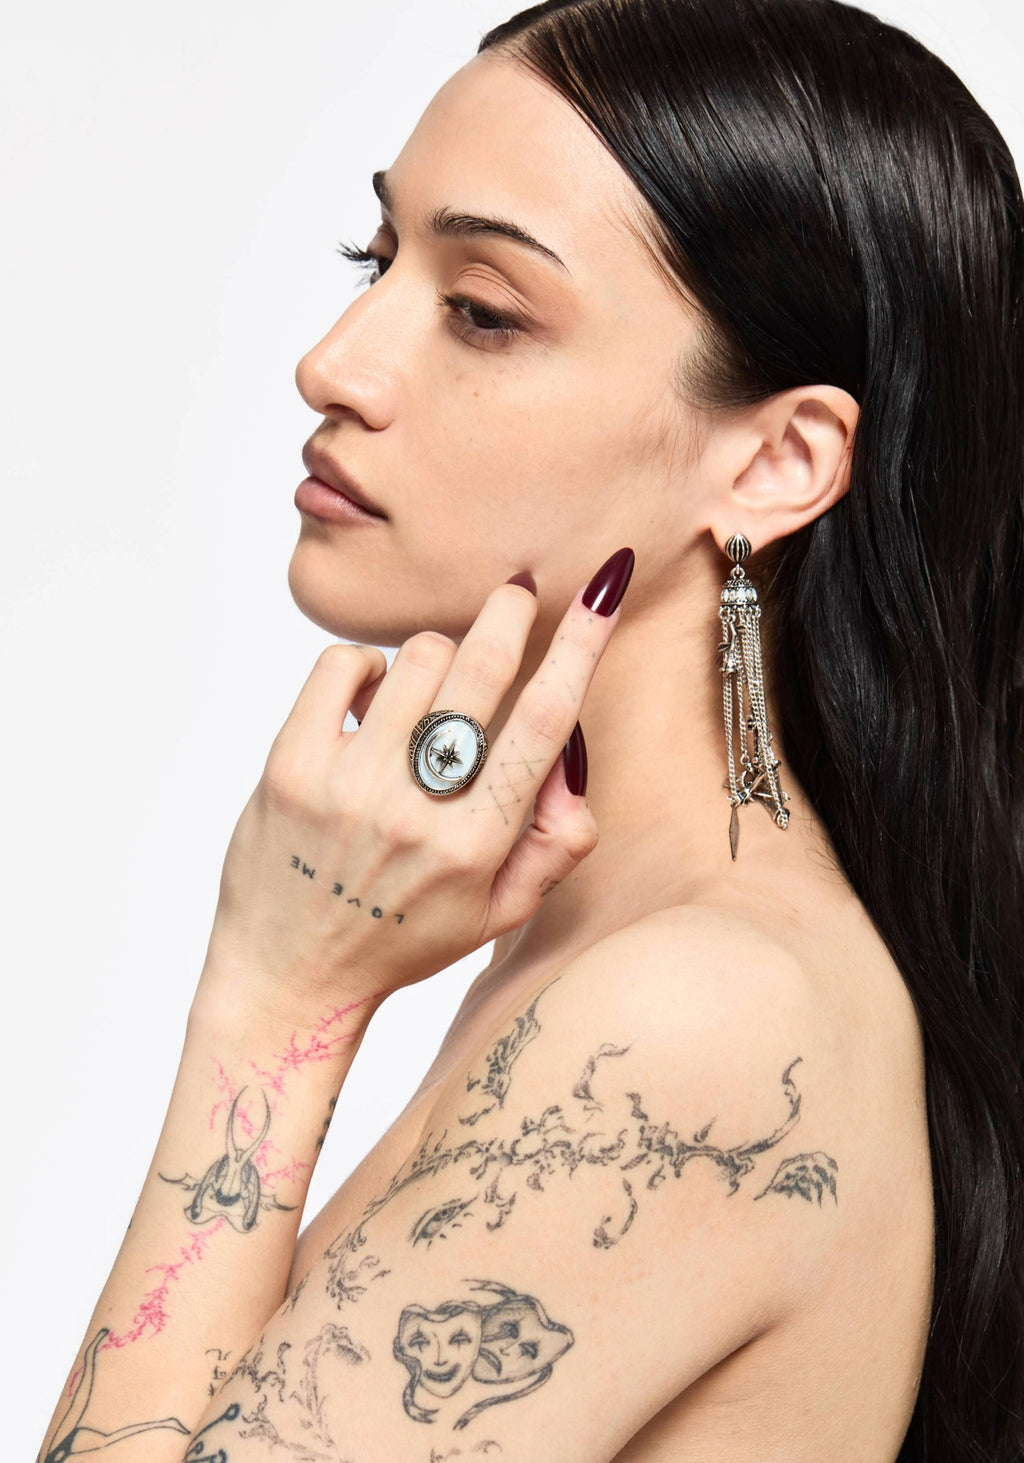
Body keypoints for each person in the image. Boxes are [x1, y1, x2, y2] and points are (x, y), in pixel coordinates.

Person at [36, 0, 1024, 1459]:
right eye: (376, 257)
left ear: (777, 460)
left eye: (484, 311)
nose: (334, 363)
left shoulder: (704, 1011)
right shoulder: (614, 937)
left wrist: (274, 998)